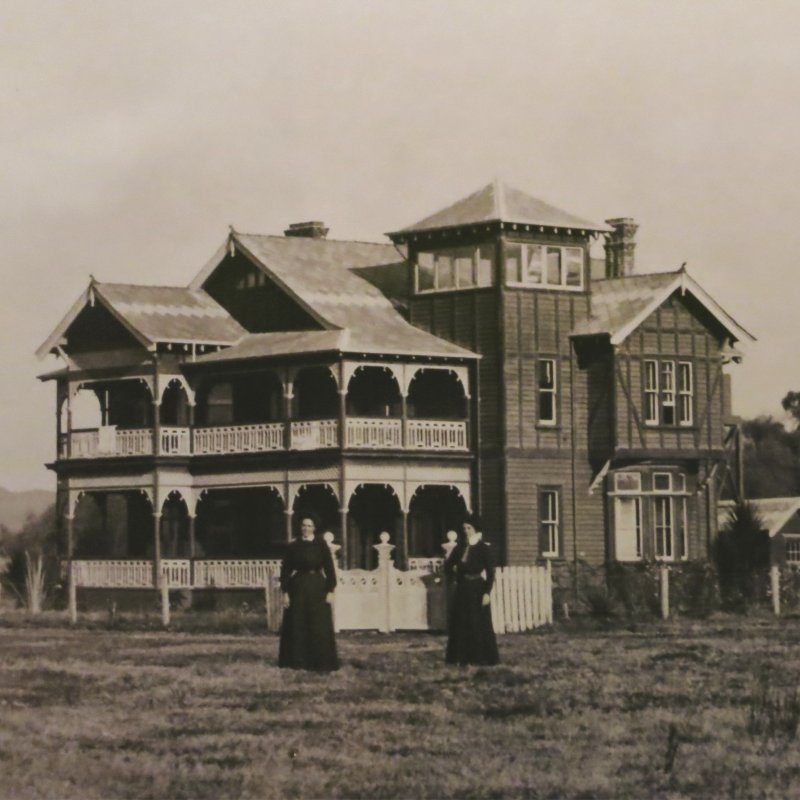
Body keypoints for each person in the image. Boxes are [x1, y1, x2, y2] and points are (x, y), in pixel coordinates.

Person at [278, 515, 339, 671]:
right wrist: (285, 592)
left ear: (314, 528)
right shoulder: (294, 546)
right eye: (304, 525)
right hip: (298, 587)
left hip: (317, 587)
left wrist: (330, 590)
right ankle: (298, 661)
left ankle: (320, 662)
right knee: (298, 624)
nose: (306, 528)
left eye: (309, 525)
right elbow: (285, 570)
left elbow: (329, 568)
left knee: (318, 625)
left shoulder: (321, 545)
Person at [444, 513, 500, 666]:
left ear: (475, 529)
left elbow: (490, 572)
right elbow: (448, 566)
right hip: (463, 588)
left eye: (469, 528)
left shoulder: (483, 548)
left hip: (477, 588)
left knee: (477, 624)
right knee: (460, 623)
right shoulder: (460, 548)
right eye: (464, 528)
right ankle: (460, 658)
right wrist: (454, 570)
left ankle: (479, 658)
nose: (466, 531)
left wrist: (486, 593)